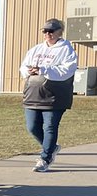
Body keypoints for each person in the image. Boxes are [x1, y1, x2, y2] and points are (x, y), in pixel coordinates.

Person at [19, 17, 78, 171]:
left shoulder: (66, 50)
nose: (48, 34)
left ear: (60, 32)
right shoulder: (36, 49)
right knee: (32, 127)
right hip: (33, 95)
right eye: (45, 31)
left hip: (54, 97)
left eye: (51, 31)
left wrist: (44, 70)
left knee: (50, 126)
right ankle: (52, 147)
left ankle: (45, 158)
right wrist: (28, 71)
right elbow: (23, 66)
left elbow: (67, 70)